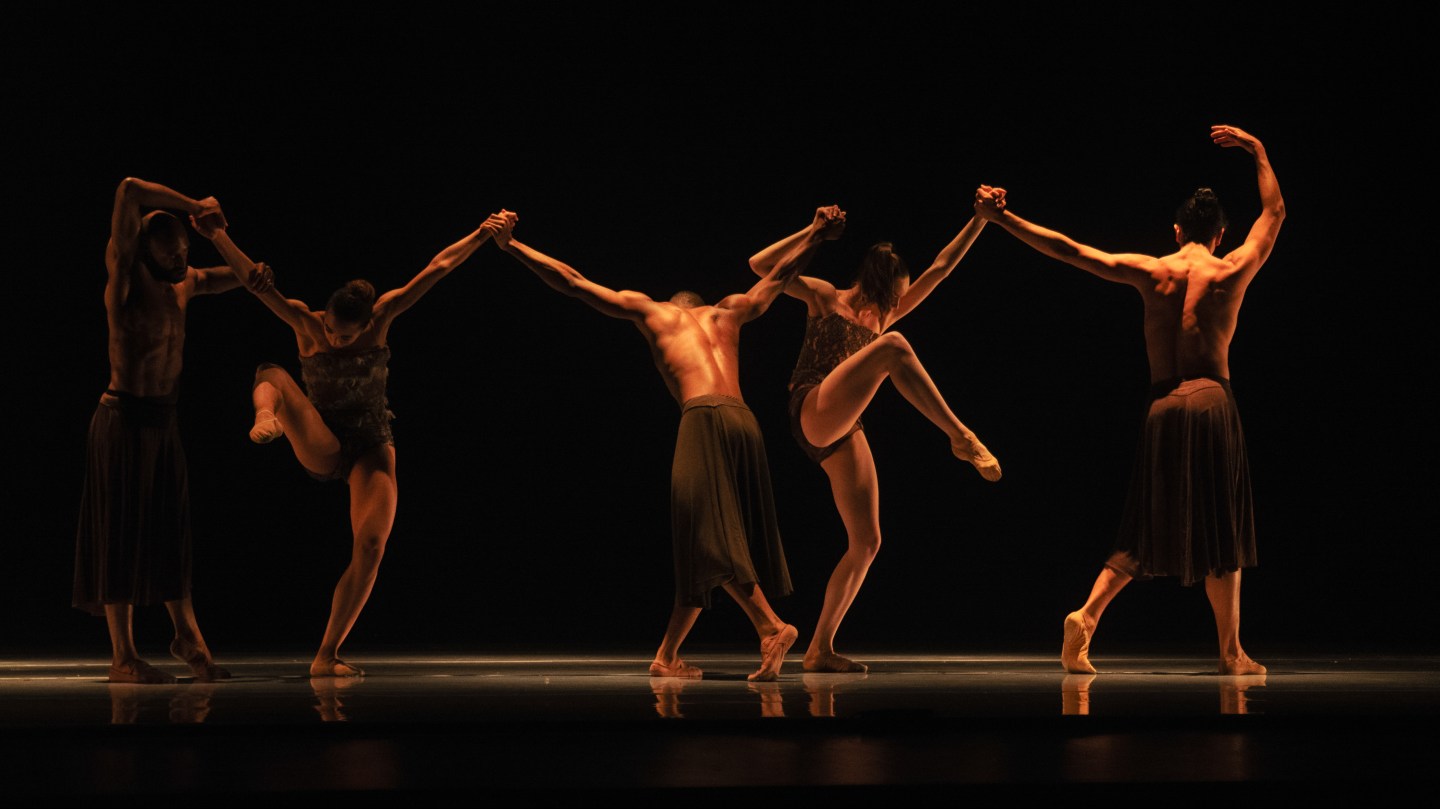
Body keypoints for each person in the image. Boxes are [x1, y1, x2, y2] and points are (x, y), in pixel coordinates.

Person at [974, 124, 1284, 675]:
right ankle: (1231, 652)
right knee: (1222, 526)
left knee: (1145, 522)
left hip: (1163, 406)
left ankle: (1087, 614)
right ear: (1220, 235)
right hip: (1212, 402)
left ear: (1176, 231)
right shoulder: (1233, 268)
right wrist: (1257, 149)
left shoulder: (1152, 271)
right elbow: (1275, 212)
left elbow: (1070, 250)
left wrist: (1003, 219)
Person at [497, 207, 846, 681]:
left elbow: (574, 282)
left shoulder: (653, 311)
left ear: (673, 304)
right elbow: (780, 276)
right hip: (745, 422)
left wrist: (513, 246)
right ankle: (666, 656)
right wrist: (817, 235)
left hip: (702, 417)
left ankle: (771, 627)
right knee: (700, 536)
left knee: (707, 533)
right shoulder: (729, 311)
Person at [204, 212, 509, 677]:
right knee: (272, 373)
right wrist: (218, 235)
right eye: (331, 329)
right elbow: (257, 286)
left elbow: (438, 268)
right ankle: (267, 415)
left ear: (366, 325)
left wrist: (481, 235)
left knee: (370, 546)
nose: (334, 339)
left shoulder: (382, 318)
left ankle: (326, 656)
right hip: (322, 440)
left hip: (370, 441)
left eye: (345, 335)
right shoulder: (307, 323)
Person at [747, 208, 1002, 674]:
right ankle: (960, 436)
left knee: (866, 541)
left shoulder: (885, 313)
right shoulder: (826, 296)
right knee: (894, 346)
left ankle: (820, 649)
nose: (894, 305)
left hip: (844, 427)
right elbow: (761, 266)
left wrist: (980, 219)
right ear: (877, 284)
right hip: (811, 407)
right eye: (893, 295)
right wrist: (814, 231)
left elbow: (941, 268)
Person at [75, 177, 260, 684]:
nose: (180, 260)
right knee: (119, 534)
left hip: (163, 420)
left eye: (184, 252)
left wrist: (217, 234)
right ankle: (123, 657)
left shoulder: (188, 282)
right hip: (122, 419)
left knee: (170, 533)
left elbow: (251, 279)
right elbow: (129, 189)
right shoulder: (126, 279)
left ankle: (187, 637)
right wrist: (196, 205)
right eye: (170, 253)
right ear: (144, 251)